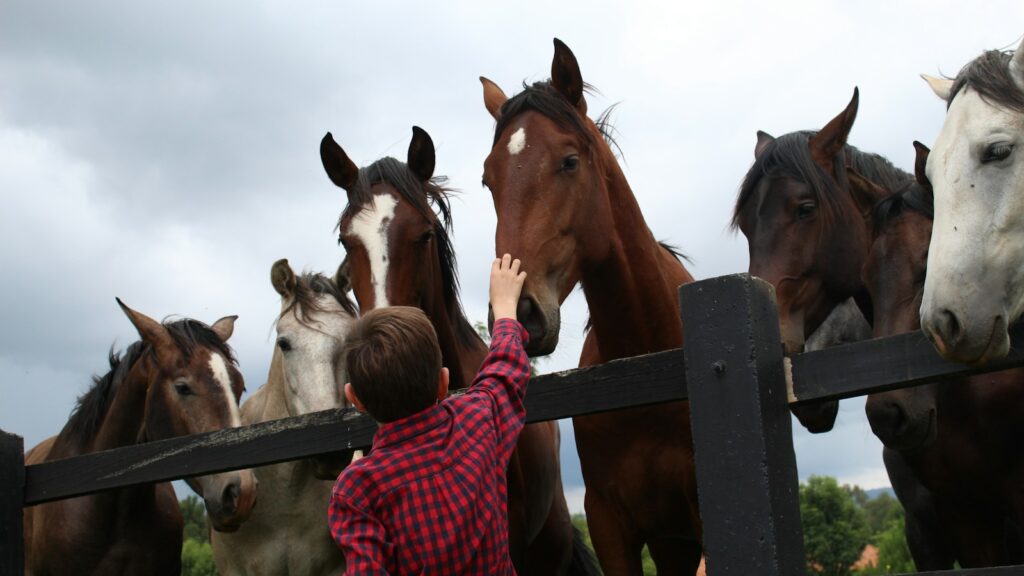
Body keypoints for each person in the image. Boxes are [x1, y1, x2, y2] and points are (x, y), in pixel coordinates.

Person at [328, 253, 531, 574]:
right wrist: (505, 311)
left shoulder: (357, 490)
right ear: (443, 383)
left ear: (355, 399)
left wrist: (355, 476)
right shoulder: (477, 420)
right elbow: (505, 372)